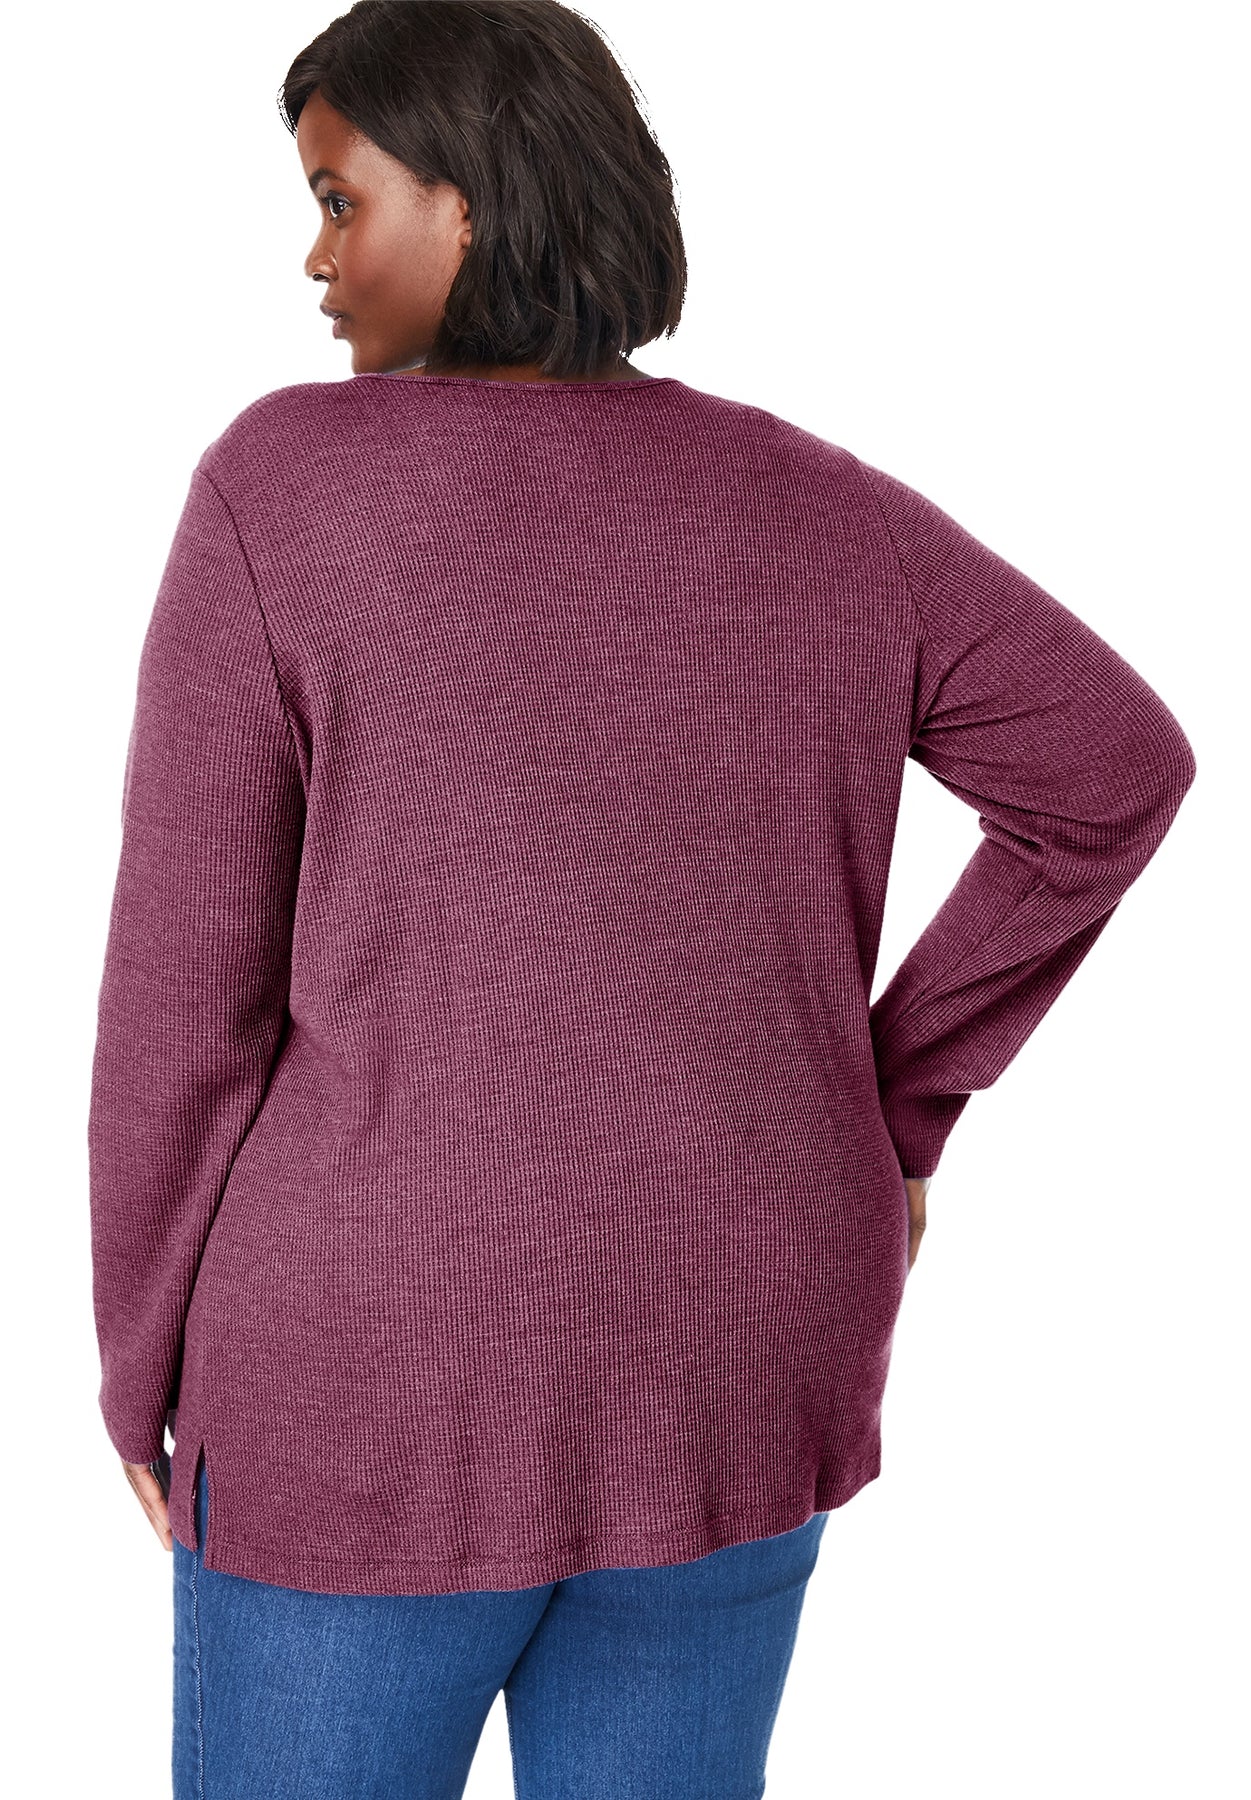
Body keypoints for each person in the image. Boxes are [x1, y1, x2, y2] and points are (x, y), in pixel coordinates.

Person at [86, 3, 1197, 1796]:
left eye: (339, 200)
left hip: (372, 1374)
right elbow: (1113, 768)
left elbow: (184, 1005)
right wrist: (889, 1105)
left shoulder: (279, 490)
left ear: (466, 204)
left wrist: (138, 1363)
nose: (314, 257)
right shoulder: (824, 509)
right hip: (738, 1344)